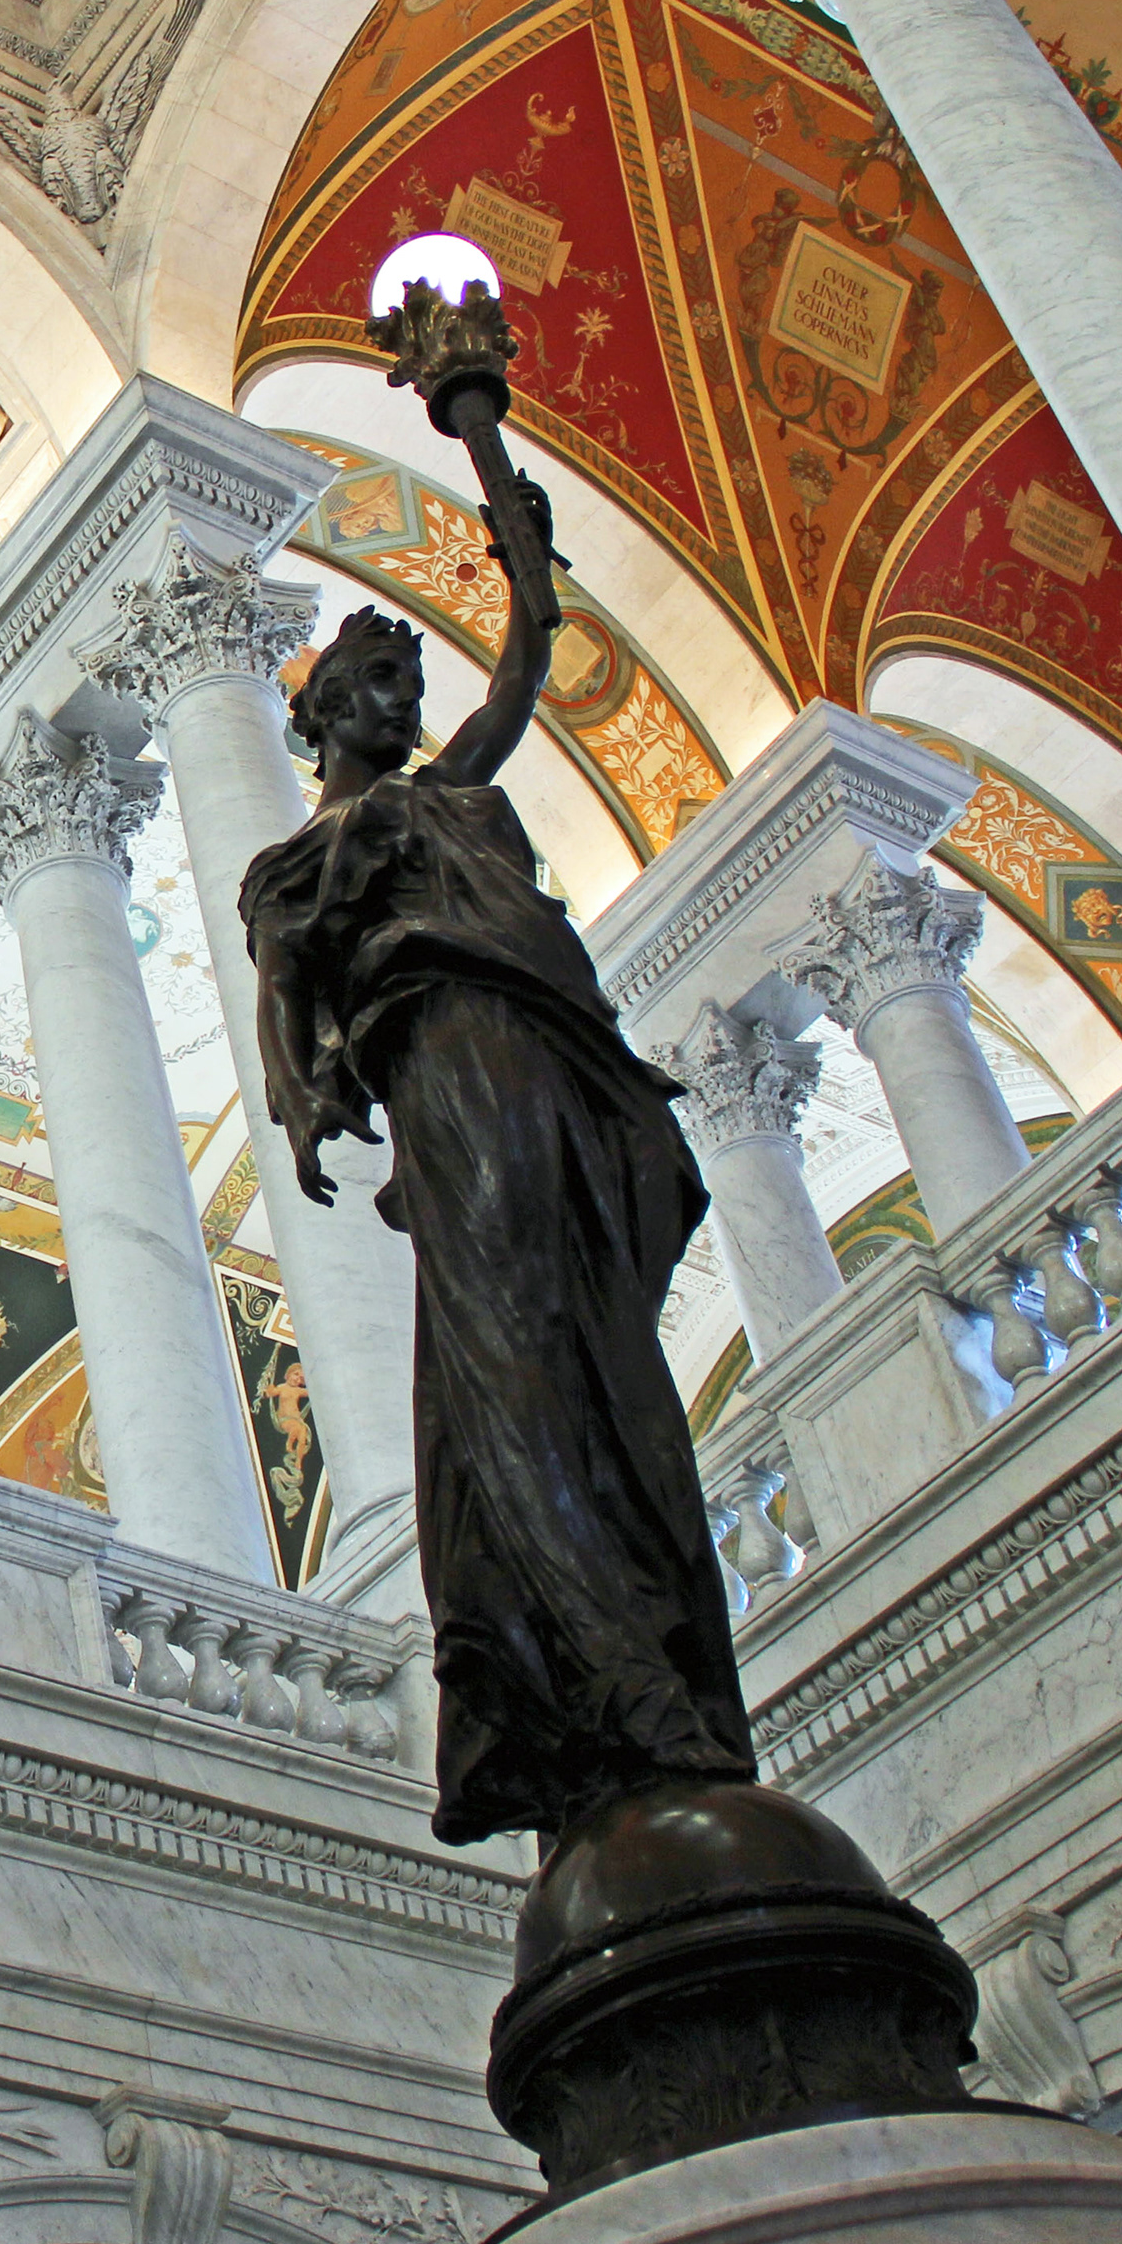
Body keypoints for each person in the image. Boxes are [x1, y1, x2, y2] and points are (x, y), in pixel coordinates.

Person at [238, 500, 753, 1848]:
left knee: (588, 1350)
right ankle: (612, 1669)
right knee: (512, 1347)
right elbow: (283, 997)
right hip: (453, 1060)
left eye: (414, 684)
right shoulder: (301, 856)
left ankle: (639, 1638)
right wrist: (300, 1105)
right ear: (331, 707)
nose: (409, 705)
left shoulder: (454, 790)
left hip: (559, 1055)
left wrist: (510, 527)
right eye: (386, 685)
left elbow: (523, 668)